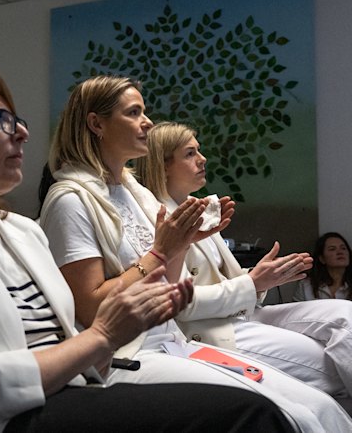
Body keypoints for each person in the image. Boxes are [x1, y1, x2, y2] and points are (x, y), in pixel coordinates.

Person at [0, 64, 295, 433]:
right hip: (2, 418)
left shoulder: (22, 231)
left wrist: (172, 257)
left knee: (274, 409)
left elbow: (76, 337)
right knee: (250, 414)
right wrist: (104, 334)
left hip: (81, 381)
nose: (22, 132)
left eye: (17, 120)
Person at [38, 74, 352, 431]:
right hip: (127, 354)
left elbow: (170, 290)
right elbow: (91, 308)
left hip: (173, 340)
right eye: (134, 112)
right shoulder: (70, 200)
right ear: (96, 124)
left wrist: (181, 244)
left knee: (319, 406)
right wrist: (162, 253)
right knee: (290, 416)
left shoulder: (136, 194)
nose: (147, 122)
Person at [135, 121, 352, 406]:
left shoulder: (199, 210)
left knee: (346, 314)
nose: (202, 159)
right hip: (209, 329)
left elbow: (232, 283)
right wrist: (253, 282)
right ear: (163, 165)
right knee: (332, 369)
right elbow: (181, 303)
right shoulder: (160, 220)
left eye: (199, 150)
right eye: (190, 153)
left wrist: (265, 278)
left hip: (243, 315)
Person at [294, 232, 352, 301]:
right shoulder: (306, 285)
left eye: (343, 248)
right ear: (322, 258)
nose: (340, 252)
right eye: (332, 249)